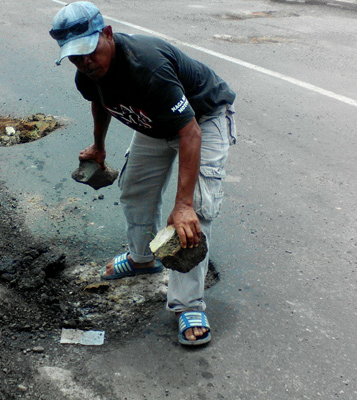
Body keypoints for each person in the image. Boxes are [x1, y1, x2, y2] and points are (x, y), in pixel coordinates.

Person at [50, 1, 236, 345]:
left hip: (201, 120)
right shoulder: (86, 74)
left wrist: (182, 204)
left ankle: (188, 305)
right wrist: (98, 146)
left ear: (107, 34)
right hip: (155, 123)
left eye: (89, 50)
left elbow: (189, 131)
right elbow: (101, 100)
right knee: (134, 188)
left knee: (195, 211)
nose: (85, 61)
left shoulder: (147, 67)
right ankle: (142, 259)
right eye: (75, 57)